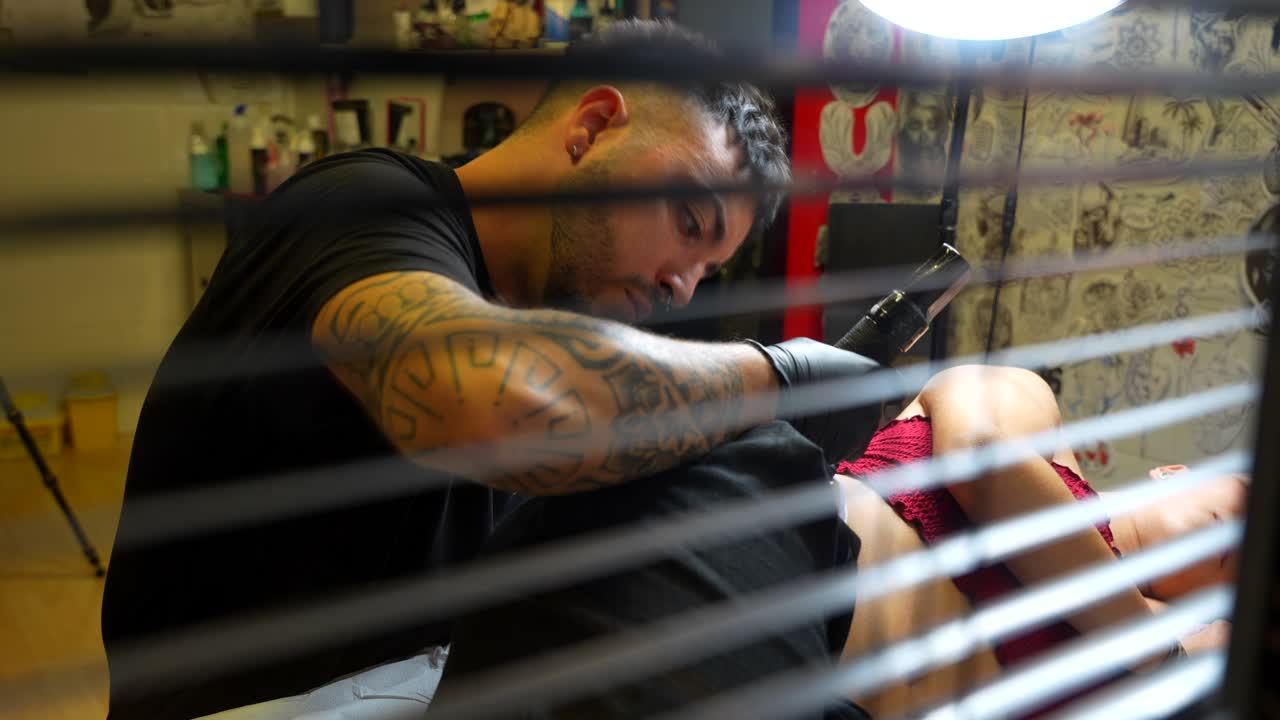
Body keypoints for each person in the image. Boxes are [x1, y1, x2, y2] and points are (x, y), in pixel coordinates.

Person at [101, 21, 884, 720]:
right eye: (688, 223)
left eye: (706, 270)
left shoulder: (560, 318)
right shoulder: (365, 204)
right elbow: (498, 402)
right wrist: (777, 378)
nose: (681, 283)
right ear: (593, 127)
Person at [831, 364, 1244, 717]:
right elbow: (977, 455)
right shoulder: (1038, 410)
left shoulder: (1142, 670)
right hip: (799, 560)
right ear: (1174, 471)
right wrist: (1160, 654)